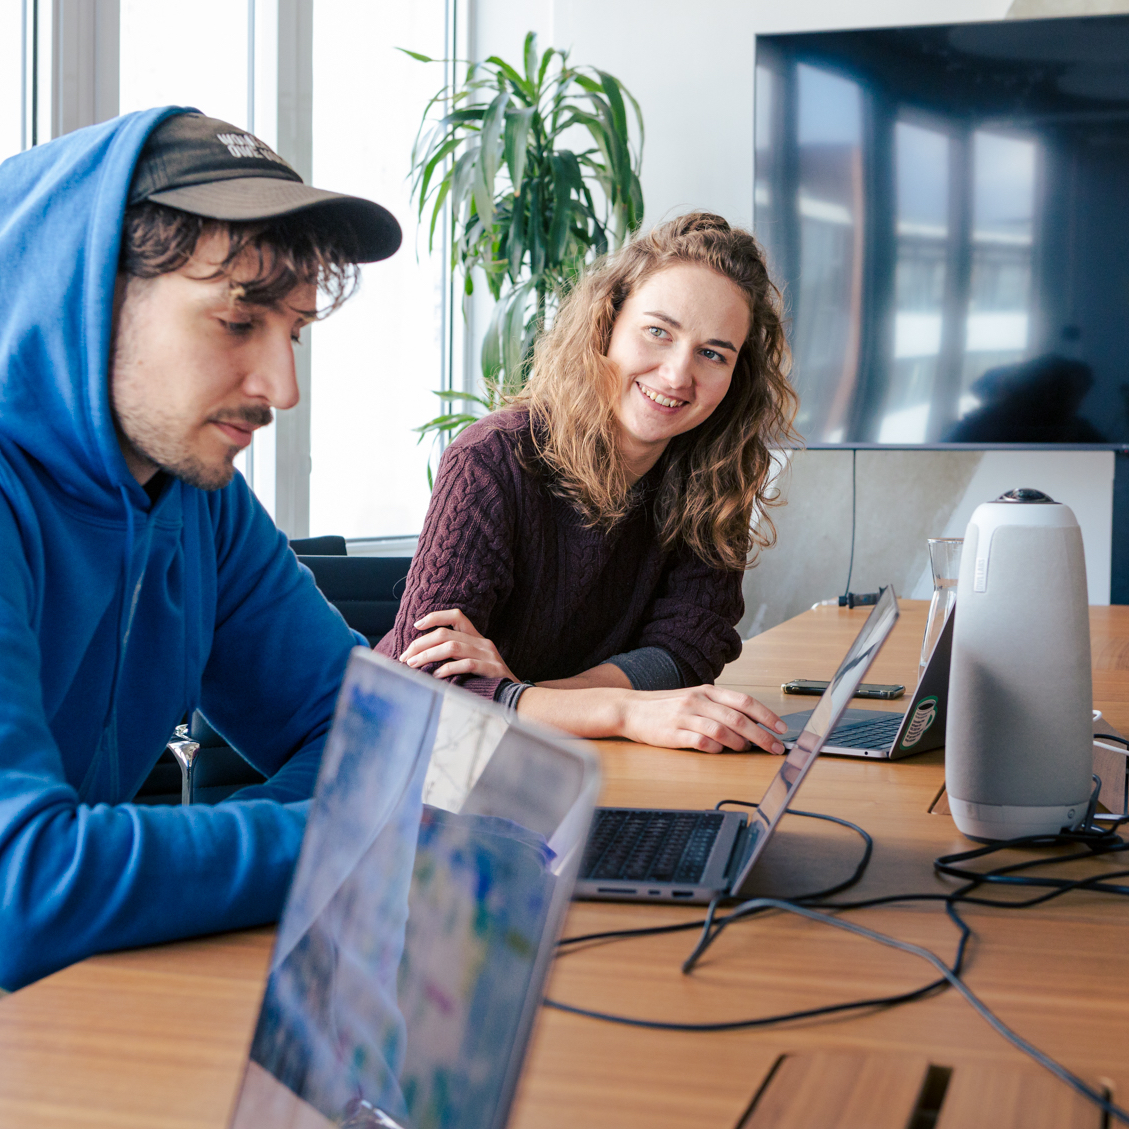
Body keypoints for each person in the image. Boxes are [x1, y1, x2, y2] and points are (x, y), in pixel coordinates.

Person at [0, 109, 401, 990]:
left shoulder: (198, 498)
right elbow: (20, 888)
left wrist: (139, 867)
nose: (282, 388)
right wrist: (347, 829)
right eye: (237, 321)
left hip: (63, 1015)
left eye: (291, 331)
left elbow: (378, 736)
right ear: (88, 290)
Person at [378, 213, 798, 754]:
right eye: (658, 332)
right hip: (423, 774)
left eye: (712, 353)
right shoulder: (491, 461)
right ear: (606, 326)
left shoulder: (717, 475)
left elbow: (690, 646)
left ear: (736, 375)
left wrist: (521, 698)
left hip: (567, 762)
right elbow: (422, 688)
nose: (677, 375)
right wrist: (616, 709)